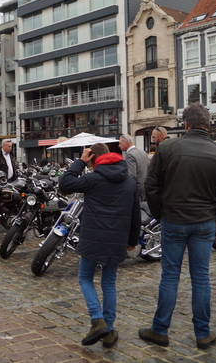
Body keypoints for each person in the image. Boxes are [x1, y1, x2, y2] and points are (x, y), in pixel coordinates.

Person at [140, 103, 216, 350]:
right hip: (204, 221)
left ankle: (160, 330)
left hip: (174, 219)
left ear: (185, 125)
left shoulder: (167, 148)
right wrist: (215, 217)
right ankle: (203, 334)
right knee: (200, 277)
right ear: (208, 125)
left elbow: (150, 187)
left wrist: (160, 214)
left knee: (170, 276)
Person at [58, 143, 140, 348]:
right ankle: (109, 330)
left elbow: (65, 184)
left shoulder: (93, 179)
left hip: (93, 237)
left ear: (93, 159)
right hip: (117, 239)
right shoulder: (129, 180)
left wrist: (80, 162)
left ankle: (97, 320)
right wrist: (132, 240)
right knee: (109, 282)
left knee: (85, 278)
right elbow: (135, 214)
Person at [118, 134, 149, 200]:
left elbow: (131, 175)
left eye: (120, 143)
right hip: (145, 187)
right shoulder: (143, 152)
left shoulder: (130, 155)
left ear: (127, 143)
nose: (119, 146)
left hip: (137, 190)